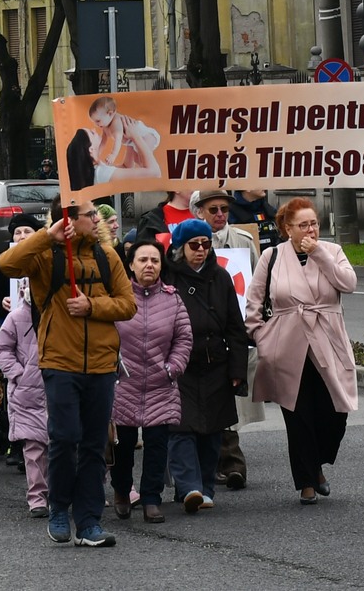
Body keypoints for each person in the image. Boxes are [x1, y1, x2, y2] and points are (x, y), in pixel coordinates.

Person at [0, 200, 137, 548]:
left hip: (102, 364)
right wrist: (48, 236)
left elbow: (128, 304)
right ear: (69, 220)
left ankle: (89, 521)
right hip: (59, 362)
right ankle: (58, 507)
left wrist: (92, 306)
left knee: (94, 444)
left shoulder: (108, 256)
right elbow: (6, 264)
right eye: (89, 214)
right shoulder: (47, 255)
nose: (96, 219)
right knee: (63, 438)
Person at [246, 196, 358, 505]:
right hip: (286, 346)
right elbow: (254, 302)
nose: (310, 230)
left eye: (314, 224)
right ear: (286, 228)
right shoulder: (271, 256)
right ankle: (307, 481)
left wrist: (320, 253)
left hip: (327, 341)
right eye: (303, 225)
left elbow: (348, 283)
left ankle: (317, 464)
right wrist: (261, 336)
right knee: (298, 417)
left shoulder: (332, 251)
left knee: (336, 412)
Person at [162, 218, 247, 514]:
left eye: (205, 244)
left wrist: (238, 370)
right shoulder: (168, 277)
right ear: (180, 247)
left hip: (215, 364)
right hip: (179, 365)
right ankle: (189, 488)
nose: (200, 250)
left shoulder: (221, 277)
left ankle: (206, 487)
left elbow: (236, 328)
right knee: (180, 428)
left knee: (212, 430)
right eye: (194, 245)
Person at [109, 241, 191, 523]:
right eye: (142, 260)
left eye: (154, 261)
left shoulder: (172, 299)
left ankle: (152, 499)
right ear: (130, 264)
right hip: (124, 385)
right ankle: (121, 490)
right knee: (123, 445)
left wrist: (172, 368)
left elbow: (183, 339)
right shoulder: (118, 297)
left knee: (157, 445)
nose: (149, 265)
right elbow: (104, 334)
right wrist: (113, 367)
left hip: (160, 384)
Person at [196, 188, 260, 487]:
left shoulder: (244, 243)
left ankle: (232, 463)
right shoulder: (188, 243)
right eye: (213, 210)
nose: (220, 215)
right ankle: (215, 462)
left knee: (232, 391)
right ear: (199, 211)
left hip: (235, 328)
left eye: (224, 209)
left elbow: (257, 284)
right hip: (201, 332)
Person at [0, 216, 49, 516]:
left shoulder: (59, 312)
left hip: (55, 388)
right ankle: (37, 497)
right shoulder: (17, 317)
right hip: (27, 393)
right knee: (34, 450)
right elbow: (2, 348)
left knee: (67, 446)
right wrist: (18, 374)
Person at [125, 191, 196, 252]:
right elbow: (143, 254)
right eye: (191, 183)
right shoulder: (151, 219)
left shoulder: (203, 214)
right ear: (176, 189)